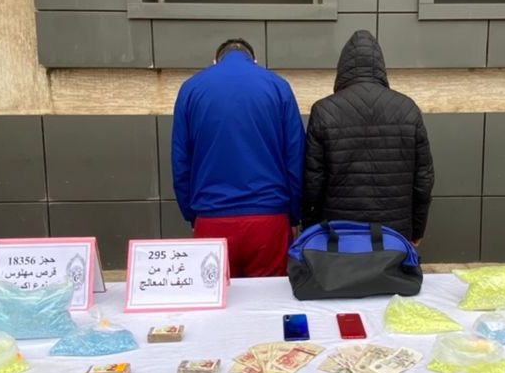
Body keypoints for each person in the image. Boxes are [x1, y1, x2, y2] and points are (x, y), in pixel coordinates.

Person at [171, 37, 304, 278]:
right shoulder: (278, 87)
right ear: (254, 60)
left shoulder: (191, 89)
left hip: (211, 218)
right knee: (269, 298)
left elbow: (181, 162)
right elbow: (295, 156)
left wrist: (192, 216)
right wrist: (293, 215)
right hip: (269, 219)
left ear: (215, 61)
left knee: (216, 299)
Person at [301, 30, 434, 243]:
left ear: (343, 68)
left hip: (339, 237)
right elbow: (423, 181)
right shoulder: (408, 108)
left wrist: (310, 228)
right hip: (394, 236)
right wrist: (417, 230)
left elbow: (313, 182)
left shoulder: (324, 111)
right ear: (380, 66)